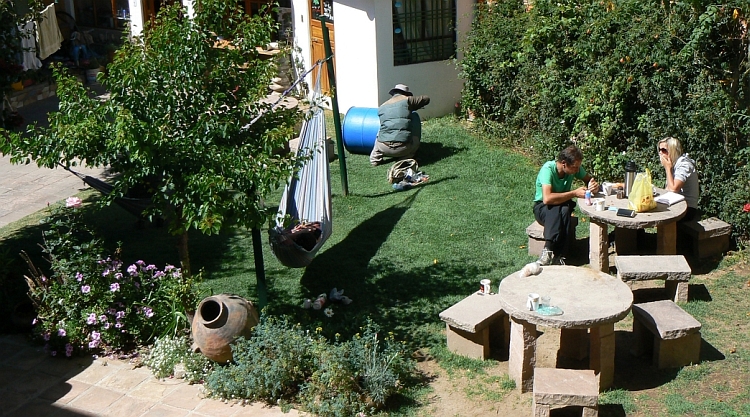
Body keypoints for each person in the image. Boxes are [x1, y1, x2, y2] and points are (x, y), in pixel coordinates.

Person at [533, 145, 598, 265]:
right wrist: (574, 193)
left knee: (563, 210)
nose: (577, 170)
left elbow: (589, 179)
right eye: (575, 167)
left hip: (561, 205)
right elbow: (547, 199)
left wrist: (593, 185)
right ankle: (556, 253)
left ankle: (553, 252)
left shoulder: (573, 168)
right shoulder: (548, 169)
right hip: (542, 207)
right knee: (559, 209)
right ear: (564, 164)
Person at [369, 84, 430, 166]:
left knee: (379, 134)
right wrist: (413, 106)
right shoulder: (408, 100)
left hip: (383, 147)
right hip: (403, 148)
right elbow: (426, 99)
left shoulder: (382, 107)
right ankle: (405, 158)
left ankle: (375, 159)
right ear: (406, 93)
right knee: (415, 139)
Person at [658, 137, 700, 222]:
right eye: (659, 149)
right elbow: (668, 189)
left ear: (672, 150)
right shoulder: (674, 164)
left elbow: (673, 189)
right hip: (676, 204)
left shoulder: (684, 165)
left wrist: (667, 168)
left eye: (664, 150)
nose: (660, 153)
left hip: (687, 209)